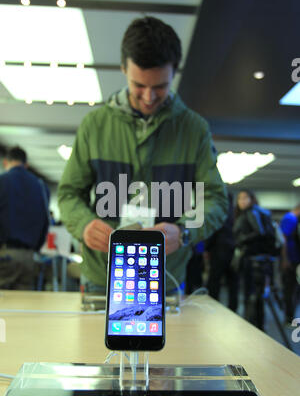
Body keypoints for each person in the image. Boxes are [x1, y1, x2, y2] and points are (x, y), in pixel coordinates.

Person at [58, 16, 228, 296]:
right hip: (102, 277)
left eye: (160, 86)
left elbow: (214, 198)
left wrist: (184, 231)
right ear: (123, 69)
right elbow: (68, 194)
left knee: (166, 342)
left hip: (165, 279)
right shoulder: (94, 126)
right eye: (139, 85)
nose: (149, 97)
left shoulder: (194, 129)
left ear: (175, 71)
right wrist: (84, 224)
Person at [0, 146, 50, 289]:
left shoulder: (2, 181)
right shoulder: (40, 186)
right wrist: (37, 247)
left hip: (5, 253)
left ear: (5, 162)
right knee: (23, 305)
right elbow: (45, 222)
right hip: (29, 257)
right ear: (26, 165)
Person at [233, 189, 277, 328]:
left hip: (252, 258)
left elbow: (259, 232)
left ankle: (253, 325)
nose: (242, 201)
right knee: (256, 294)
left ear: (252, 199)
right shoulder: (259, 212)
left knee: (251, 294)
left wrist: (241, 239)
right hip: (258, 258)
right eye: (240, 198)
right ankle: (257, 324)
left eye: (245, 198)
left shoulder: (252, 213)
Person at [205, 192, 239, 312]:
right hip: (233, 252)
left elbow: (212, 232)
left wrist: (207, 248)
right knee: (232, 282)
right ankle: (233, 308)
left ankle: (213, 307)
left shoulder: (219, 214)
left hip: (219, 250)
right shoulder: (236, 214)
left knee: (214, 280)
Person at [280, 203, 300, 324]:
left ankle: (291, 315)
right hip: (291, 260)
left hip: (295, 260)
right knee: (290, 289)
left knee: (295, 290)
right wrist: (285, 259)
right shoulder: (290, 218)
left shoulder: (295, 219)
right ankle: (289, 317)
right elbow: (283, 239)